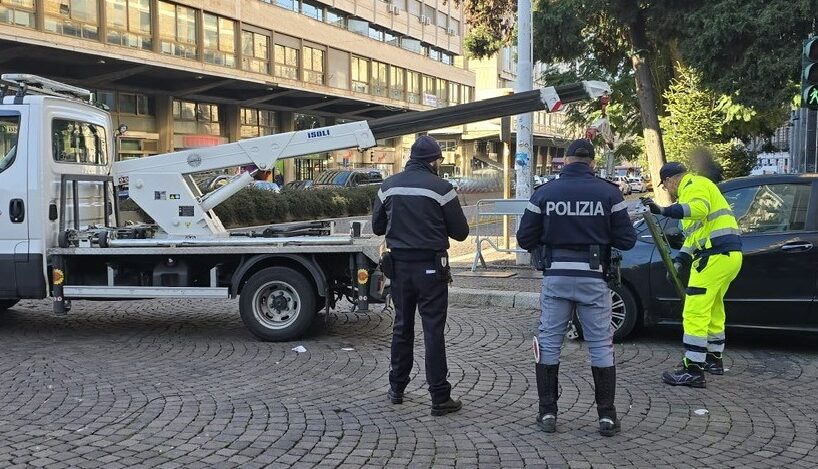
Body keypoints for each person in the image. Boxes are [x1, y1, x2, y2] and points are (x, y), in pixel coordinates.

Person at [516, 139, 637, 436]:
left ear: (566, 160)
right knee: (600, 345)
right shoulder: (608, 193)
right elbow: (627, 240)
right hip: (593, 278)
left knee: (548, 343)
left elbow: (524, 238)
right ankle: (606, 416)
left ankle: (547, 413)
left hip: (555, 276)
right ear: (592, 162)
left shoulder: (544, 193)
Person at [371, 135, 469, 416]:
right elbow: (461, 232)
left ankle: (396, 388)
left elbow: (378, 228)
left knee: (402, 326)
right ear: (434, 161)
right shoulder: (442, 188)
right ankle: (439, 397)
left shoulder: (388, 186)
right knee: (433, 331)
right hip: (431, 268)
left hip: (399, 267)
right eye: (439, 160)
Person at [647, 162, 742, 388]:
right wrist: (680, 260)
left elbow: (699, 209)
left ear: (671, 180)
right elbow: (694, 235)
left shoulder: (693, 185)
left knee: (694, 311)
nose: (668, 191)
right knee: (713, 308)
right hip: (728, 256)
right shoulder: (702, 187)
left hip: (714, 256)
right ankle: (713, 359)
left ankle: (693, 370)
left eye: (666, 186)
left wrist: (663, 210)